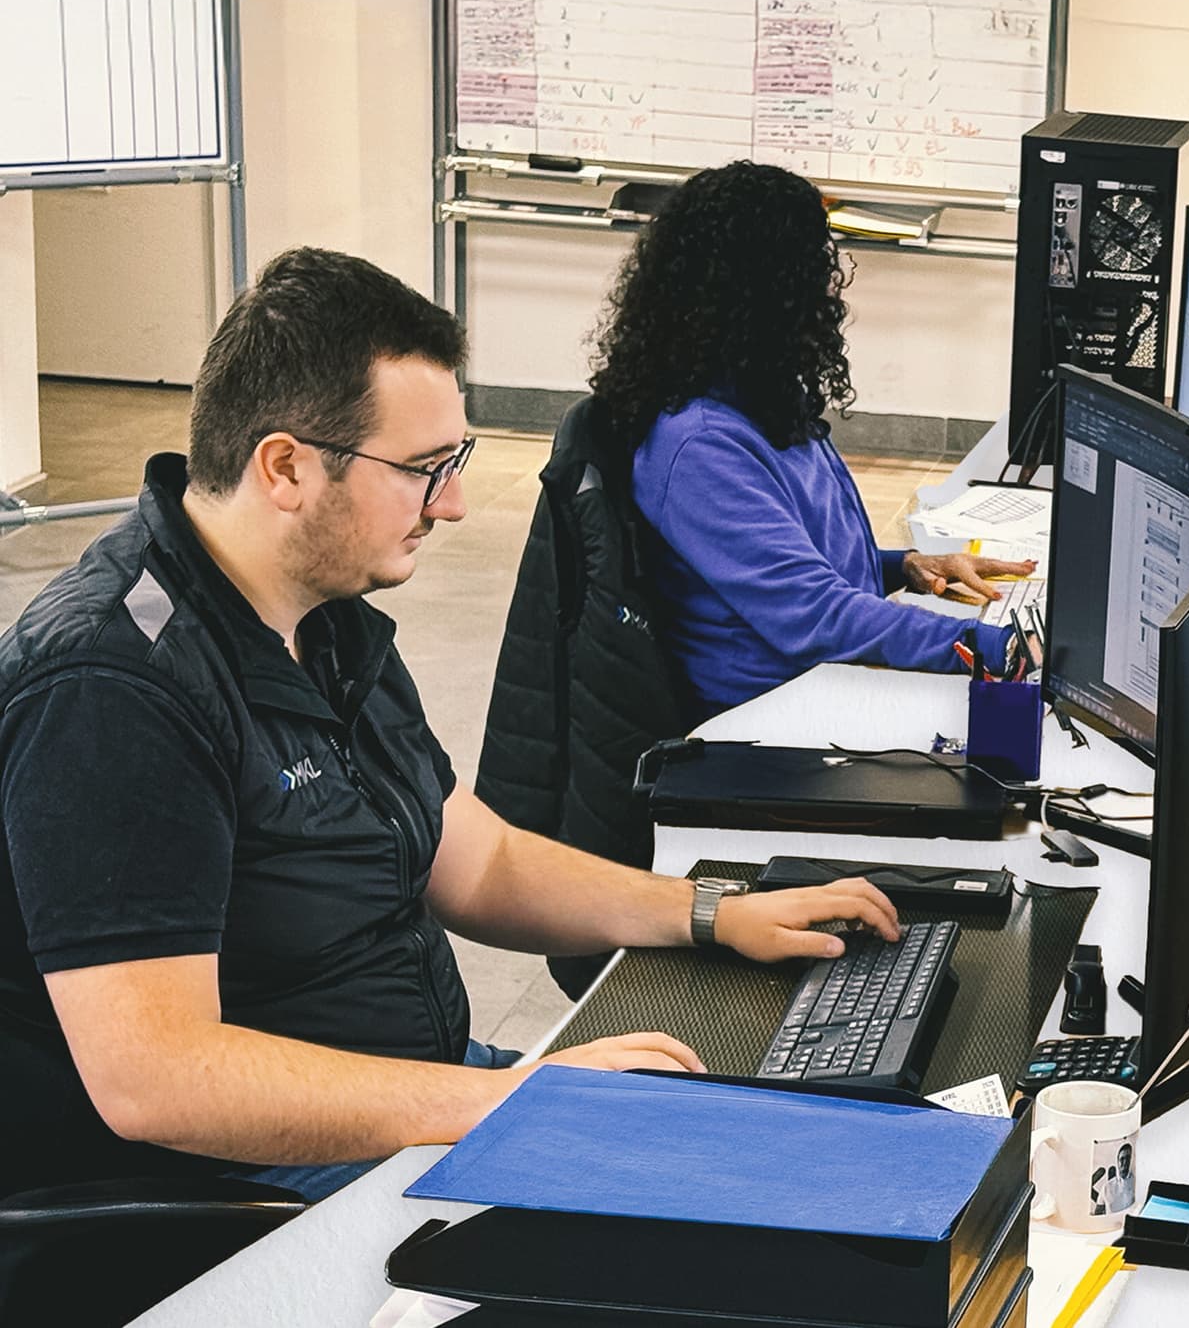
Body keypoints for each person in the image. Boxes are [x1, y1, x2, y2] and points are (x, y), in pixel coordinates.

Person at [0, 249, 909, 1200]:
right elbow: (157, 1080)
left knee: (794, 1138)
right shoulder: (113, 689)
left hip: (424, 1094)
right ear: (285, 468)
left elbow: (477, 862)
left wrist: (713, 911)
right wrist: (509, 1102)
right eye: (425, 469)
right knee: (754, 1208)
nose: (459, 503)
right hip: (251, 1186)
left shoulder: (319, 608)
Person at [586, 160, 1032, 719]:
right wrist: (1003, 647)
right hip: (774, 718)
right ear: (770, 291)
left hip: (823, 680)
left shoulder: (759, 397)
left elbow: (794, 563)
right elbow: (815, 615)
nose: (828, 288)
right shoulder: (700, 445)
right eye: (815, 268)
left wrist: (905, 565)